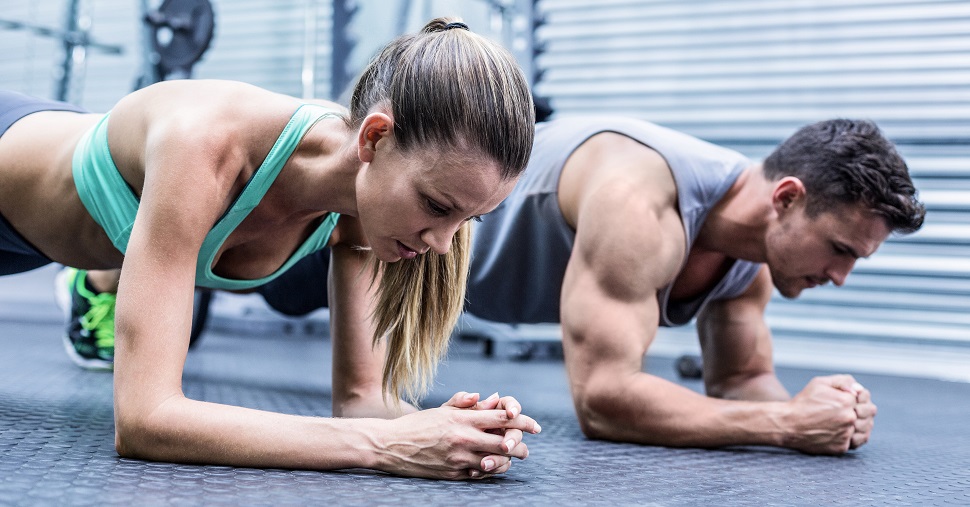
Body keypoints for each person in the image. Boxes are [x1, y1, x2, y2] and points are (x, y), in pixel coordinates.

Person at [0, 18, 541, 479]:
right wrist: (385, 446)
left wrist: (453, 429)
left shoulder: (363, 215)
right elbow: (146, 420)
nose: (444, 245)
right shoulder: (204, 144)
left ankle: (99, 277)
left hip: (54, 232)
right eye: (437, 206)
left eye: (470, 219)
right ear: (374, 138)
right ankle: (97, 284)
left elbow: (361, 402)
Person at [248, 116, 924, 456]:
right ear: (787, 196)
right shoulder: (641, 199)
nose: (839, 276)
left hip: (454, 281)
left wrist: (821, 413)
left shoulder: (755, 256)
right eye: (840, 249)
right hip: (400, 241)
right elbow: (603, 400)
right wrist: (783, 422)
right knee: (266, 266)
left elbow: (743, 379)